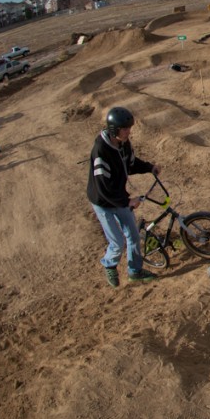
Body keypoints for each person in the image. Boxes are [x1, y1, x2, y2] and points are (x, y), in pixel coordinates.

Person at [87, 106, 161, 288]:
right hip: (103, 202)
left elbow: (131, 164)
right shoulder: (101, 151)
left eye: (129, 128)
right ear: (114, 130)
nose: (129, 132)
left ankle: (135, 271)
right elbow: (103, 188)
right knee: (117, 242)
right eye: (125, 129)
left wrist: (150, 167)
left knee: (133, 235)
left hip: (119, 197)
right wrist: (127, 202)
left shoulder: (123, 143)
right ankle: (109, 264)